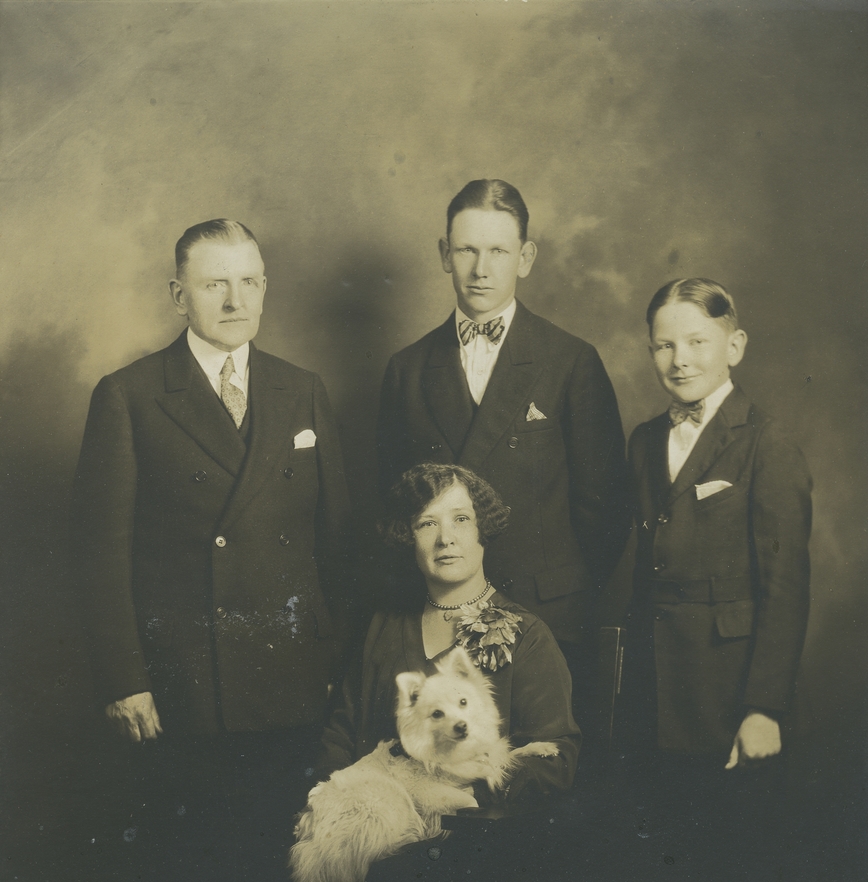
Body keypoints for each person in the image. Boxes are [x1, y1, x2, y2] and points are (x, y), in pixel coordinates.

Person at [72, 219, 353, 744]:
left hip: (296, 668)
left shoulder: (303, 388)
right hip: (186, 680)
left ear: (264, 288)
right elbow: (101, 557)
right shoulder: (129, 395)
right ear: (179, 296)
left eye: (248, 282)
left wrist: (344, 660)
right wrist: (124, 680)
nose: (234, 301)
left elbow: (337, 543)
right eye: (214, 284)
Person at [376, 179, 631, 728]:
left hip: (548, 620)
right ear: (445, 255)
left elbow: (606, 512)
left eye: (498, 250)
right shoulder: (407, 370)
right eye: (466, 249)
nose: (481, 268)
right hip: (440, 623)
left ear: (526, 257)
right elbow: (391, 514)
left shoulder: (570, 361)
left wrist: (556, 590)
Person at [624, 278, 812, 766]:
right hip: (651, 684)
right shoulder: (644, 441)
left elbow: (785, 588)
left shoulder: (766, 443)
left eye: (696, 342)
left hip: (728, 687)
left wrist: (764, 708)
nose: (680, 360)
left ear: (734, 347)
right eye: (665, 345)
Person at [320, 464, 580, 811]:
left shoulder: (527, 636)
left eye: (461, 519)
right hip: (371, 817)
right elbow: (340, 735)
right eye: (427, 523)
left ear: (482, 527)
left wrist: (463, 797)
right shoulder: (383, 626)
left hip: (473, 827)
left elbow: (555, 761)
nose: (446, 538)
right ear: (408, 536)